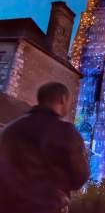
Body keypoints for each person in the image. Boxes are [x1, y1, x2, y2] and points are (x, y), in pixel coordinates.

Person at [0, 82, 90, 213]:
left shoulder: (10, 129)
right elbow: (80, 175)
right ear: (62, 99)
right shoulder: (65, 132)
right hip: (47, 206)